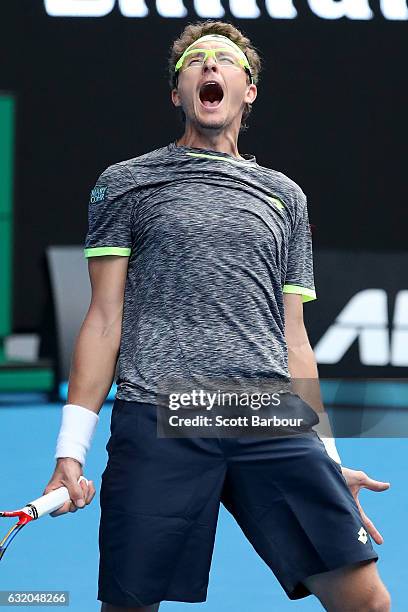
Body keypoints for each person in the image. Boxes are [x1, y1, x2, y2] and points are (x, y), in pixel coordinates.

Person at [44, 20, 391, 612]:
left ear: (247, 90)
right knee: (129, 607)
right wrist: (69, 453)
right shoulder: (125, 184)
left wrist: (329, 460)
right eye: (195, 61)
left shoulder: (285, 196)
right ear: (176, 92)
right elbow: (103, 320)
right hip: (159, 412)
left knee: (367, 602)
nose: (209, 67)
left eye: (224, 60)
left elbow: (295, 339)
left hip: (267, 415)